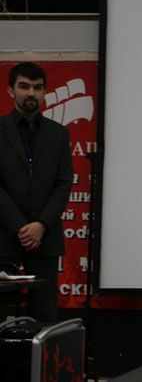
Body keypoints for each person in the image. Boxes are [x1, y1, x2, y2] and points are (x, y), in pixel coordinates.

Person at [0, 62, 73, 322]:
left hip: (45, 237)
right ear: (11, 91)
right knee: (1, 312)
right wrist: (21, 227)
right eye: (24, 86)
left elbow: (64, 183)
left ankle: (41, 353)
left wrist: (41, 225)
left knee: (44, 314)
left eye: (37, 87)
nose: (31, 93)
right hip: (4, 234)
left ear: (44, 92)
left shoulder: (59, 134)